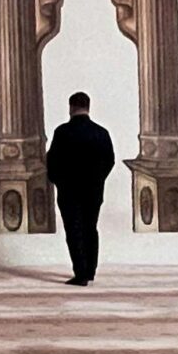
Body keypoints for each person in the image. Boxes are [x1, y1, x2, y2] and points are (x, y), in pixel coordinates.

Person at [45, 91, 116, 286]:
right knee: (90, 229)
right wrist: (98, 180)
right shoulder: (101, 133)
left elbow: (52, 160)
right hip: (93, 190)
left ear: (71, 107)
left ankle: (81, 273)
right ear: (88, 107)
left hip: (69, 190)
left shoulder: (62, 132)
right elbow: (109, 160)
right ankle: (91, 271)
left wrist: (58, 181)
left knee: (74, 230)